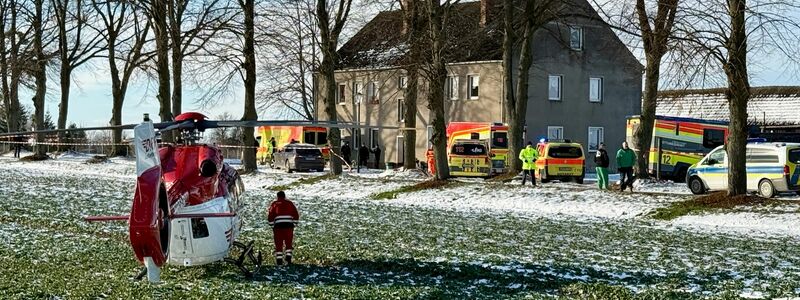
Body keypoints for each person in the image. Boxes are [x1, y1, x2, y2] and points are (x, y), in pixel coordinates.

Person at [267, 191, 299, 266]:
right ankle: (288, 257)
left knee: (278, 243)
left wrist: (272, 225)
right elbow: (296, 214)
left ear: (277, 196)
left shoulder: (274, 204)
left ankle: (279, 260)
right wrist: (294, 224)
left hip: (278, 226)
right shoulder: (290, 203)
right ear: (284, 196)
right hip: (288, 226)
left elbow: (270, 215)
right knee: (288, 242)